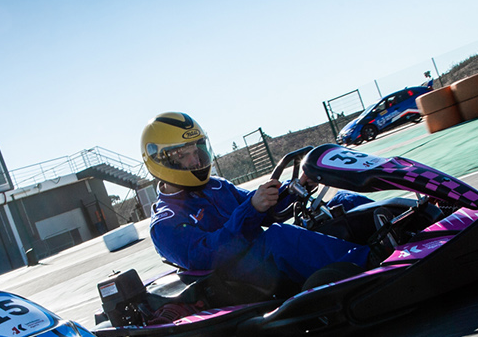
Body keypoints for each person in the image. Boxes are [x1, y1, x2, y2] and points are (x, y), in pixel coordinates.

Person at [141, 112, 372, 295]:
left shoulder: (217, 186)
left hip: (261, 257)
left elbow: (265, 209)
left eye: (196, 151)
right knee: (279, 237)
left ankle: (398, 226)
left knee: (342, 202)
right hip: (235, 278)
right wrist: (250, 209)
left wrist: (296, 187)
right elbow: (208, 255)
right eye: (183, 155)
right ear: (161, 160)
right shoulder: (165, 222)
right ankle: (369, 263)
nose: (195, 160)